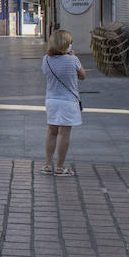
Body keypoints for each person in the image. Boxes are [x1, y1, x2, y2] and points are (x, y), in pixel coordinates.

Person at [41, 28, 84, 176]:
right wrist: (73, 57)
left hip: (51, 100)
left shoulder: (46, 59)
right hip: (68, 101)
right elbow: (82, 76)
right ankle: (60, 166)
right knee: (64, 134)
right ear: (66, 44)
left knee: (52, 132)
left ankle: (47, 164)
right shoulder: (73, 60)